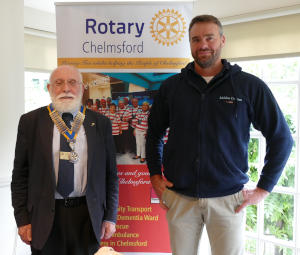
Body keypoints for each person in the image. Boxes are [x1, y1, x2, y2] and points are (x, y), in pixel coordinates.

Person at [146, 15, 293, 255]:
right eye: (195, 39)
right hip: (180, 198)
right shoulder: (172, 87)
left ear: (222, 40)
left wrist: (264, 188)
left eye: (209, 37)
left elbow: (282, 139)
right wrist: (154, 174)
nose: (202, 44)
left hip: (229, 201)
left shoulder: (249, 86)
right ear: (190, 44)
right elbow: (153, 134)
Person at [11, 65, 119, 255]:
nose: (66, 89)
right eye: (59, 83)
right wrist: (22, 220)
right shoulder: (30, 122)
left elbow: (111, 175)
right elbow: (20, 176)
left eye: (72, 83)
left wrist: (110, 217)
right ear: (49, 88)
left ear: (82, 88)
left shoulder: (101, 123)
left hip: (88, 215)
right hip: (45, 218)